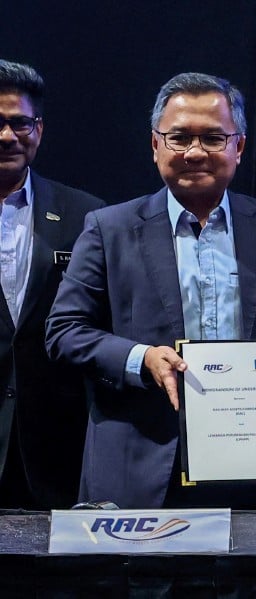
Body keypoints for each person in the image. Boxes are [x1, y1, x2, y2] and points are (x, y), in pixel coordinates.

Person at [45, 72, 256, 509]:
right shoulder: (110, 228)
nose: (195, 152)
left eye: (214, 138)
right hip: (143, 466)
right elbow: (63, 331)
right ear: (155, 144)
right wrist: (141, 359)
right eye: (179, 138)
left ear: (239, 146)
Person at [0, 60, 104, 509]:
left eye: (19, 123)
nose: (7, 136)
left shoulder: (87, 216)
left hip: (56, 449)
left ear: (38, 128)